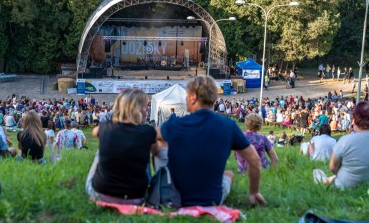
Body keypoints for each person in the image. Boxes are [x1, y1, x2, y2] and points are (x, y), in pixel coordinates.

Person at [156, 76, 266, 207]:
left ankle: (160, 184)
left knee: (159, 142)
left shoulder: (173, 125)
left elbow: (152, 139)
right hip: (211, 200)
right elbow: (254, 159)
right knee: (228, 174)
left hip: (175, 199)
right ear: (214, 99)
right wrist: (254, 191)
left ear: (193, 97)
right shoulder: (229, 125)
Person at [86, 89, 156, 204]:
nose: (148, 109)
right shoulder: (148, 132)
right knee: (145, 148)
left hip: (100, 194)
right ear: (135, 109)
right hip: (136, 198)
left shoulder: (106, 128)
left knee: (103, 145)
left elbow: (94, 132)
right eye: (145, 106)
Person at [314, 101, 369, 188]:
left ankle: (324, 180)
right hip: (366, 186)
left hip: (345, 185)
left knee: (318, 173)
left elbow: (332, 167)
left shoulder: (345, 141)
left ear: (355, 120)